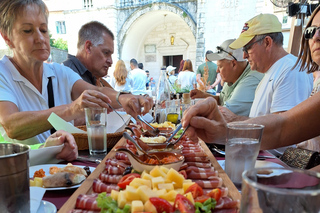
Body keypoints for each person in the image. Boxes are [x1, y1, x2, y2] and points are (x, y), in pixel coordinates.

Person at [181, 8, 320, 172]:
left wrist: (230, 126)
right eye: (311, 31)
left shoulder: (290, 69)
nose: (245, 55)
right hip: (263, 159)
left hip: (276, 164)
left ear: (267, 43)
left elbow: (284, 129)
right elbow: (280, 124)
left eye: (247, 48)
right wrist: (226, 130)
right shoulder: (270, 71)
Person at [0, 0, 152, 147]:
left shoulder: (59, 72)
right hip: (24, 170)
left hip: (65, 166)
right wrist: (72, 109)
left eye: (44, 30)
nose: (40, 38)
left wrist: (124, 98)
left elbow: (96, 91)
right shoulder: (3, 73)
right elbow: (11, 125)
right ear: (7, 38)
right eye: (28, 30)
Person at [190, 39, 264, 116]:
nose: (217, 71)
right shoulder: (232, 78)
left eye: (220, 66)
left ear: (233, 64)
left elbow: (225, 114)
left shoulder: (251, 80)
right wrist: (203, 95)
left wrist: (195, 111)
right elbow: (221, 100)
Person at [62, 21, 113, 88]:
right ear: (88, 47)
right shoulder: (66, 73)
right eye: (106, 53)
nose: (111, 61)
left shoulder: (94, 76)